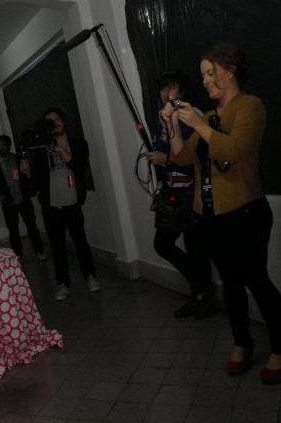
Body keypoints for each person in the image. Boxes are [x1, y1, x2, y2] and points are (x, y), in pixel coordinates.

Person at [163, 43, 281, 384]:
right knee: (230, 284)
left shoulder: (250, 106)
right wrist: (173, 125)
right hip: (211, 216)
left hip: (246, 213)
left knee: (257, 281)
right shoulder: (210, 118)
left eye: (209, 73)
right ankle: (242, 343)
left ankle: (279, 348)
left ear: (230, 72)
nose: (204, 81)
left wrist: (199, 124)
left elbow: (233, 150)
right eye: (202, 75)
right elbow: (182, 158)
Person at [147, 70, 216, 319]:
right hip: (172, 193)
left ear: (182, 91)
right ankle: (200, 288)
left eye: (172, 87)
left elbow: (195, 158)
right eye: (163, 88)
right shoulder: (165, 117)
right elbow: (163, 148)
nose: (166, 93)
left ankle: (202, 295)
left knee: (196, 249)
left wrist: (165, 158)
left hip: (193, 194)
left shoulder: (191, 115)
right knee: (163, 244)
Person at [30, 107, 98, 301]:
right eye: (50, 123)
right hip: (51, 205)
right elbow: (36, 181)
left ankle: (90, 277)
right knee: (57, 246)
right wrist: (27, 171)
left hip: (72, 203)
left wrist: (59, 148)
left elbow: (79, 167)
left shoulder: (77, 143)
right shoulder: (41, 149)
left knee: (80, 242)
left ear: (64, 121)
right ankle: (62, 284)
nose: (55, 124)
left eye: (57, 120)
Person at [0, 134, 46, 260]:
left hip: (24, 200)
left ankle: (40, 251)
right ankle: (18, 255)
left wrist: (31, 190)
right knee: (13, 231)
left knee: (32, 227)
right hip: (8, 204)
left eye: (3, 145)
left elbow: (31, 174)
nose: (0, 148)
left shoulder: (18, 159)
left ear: (9, 146)